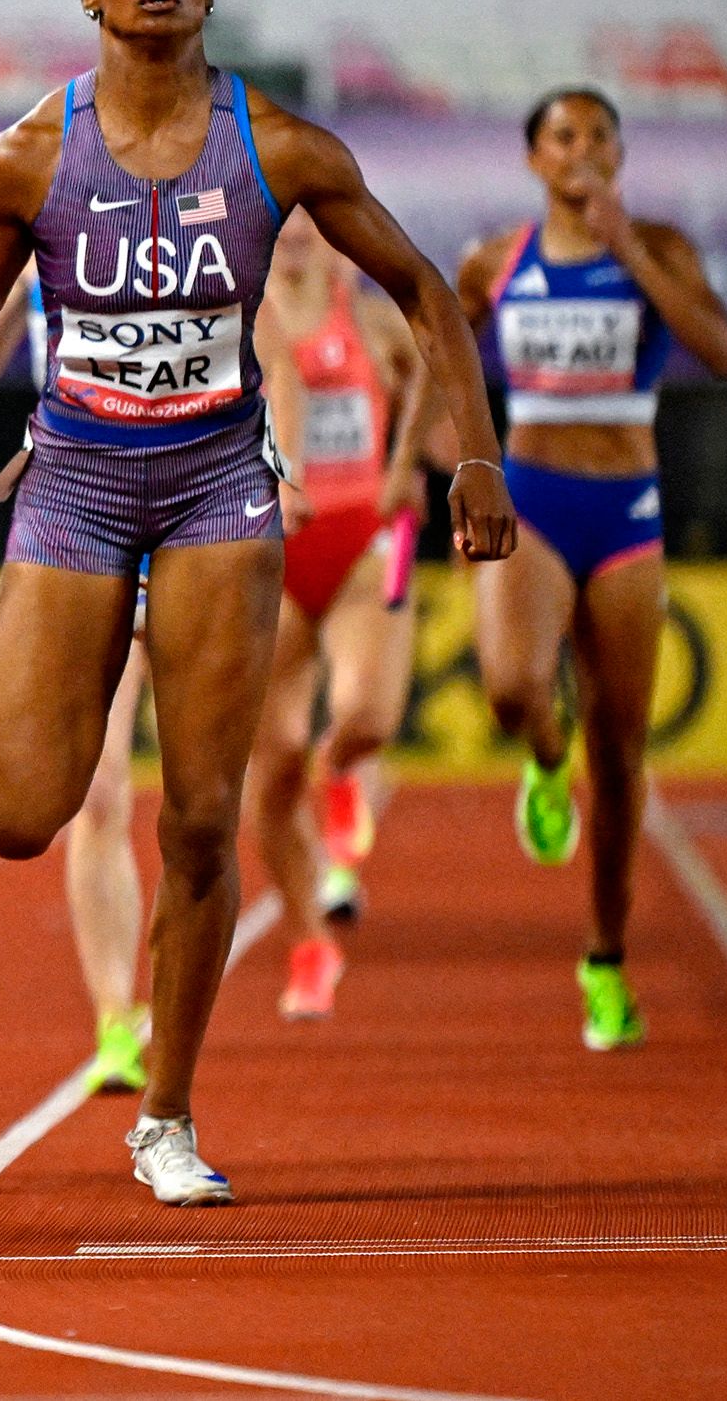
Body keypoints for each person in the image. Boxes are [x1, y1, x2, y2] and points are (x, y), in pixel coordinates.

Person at [0, 0, 515, 1207]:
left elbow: (426, 293)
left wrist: (474, 454)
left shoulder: (277, 147)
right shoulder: (24, 157)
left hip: (223, 485)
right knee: (16, 814)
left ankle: (164, 1110)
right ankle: (146, 1055)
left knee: (207, 817)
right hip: (73, 487)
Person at [456, 87, 727, 1051]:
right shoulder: (498, 259)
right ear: (535, 158)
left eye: (599, 137)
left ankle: (605, 962)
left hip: (625, 514)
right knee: (507, 690)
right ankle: (542, 759)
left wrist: (629, 250)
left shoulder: (661, 246)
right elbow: (441, 348)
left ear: (619, 156)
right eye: (562, 136)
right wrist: (456, 457)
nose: (582, 150)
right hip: (533, 499)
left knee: (619, 757)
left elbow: (720, 351)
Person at [244, 208, 431, 1018]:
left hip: (362, 543)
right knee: (270, 768)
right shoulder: (237, 314)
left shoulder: (373, 317)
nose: (294, 234)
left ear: (331, 234)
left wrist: (418, 466)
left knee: (368, 716)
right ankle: (310, 941)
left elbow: (436, 374)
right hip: (272, 554)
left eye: (309, 223)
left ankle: (342, 764)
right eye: (279, 219)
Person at [0, 270, 153, 1097]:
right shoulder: (41, 233)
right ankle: (117, 1017)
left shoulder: (201, 214)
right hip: (85, 525)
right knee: (103, 790)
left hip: (200, 517)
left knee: (210, 797)